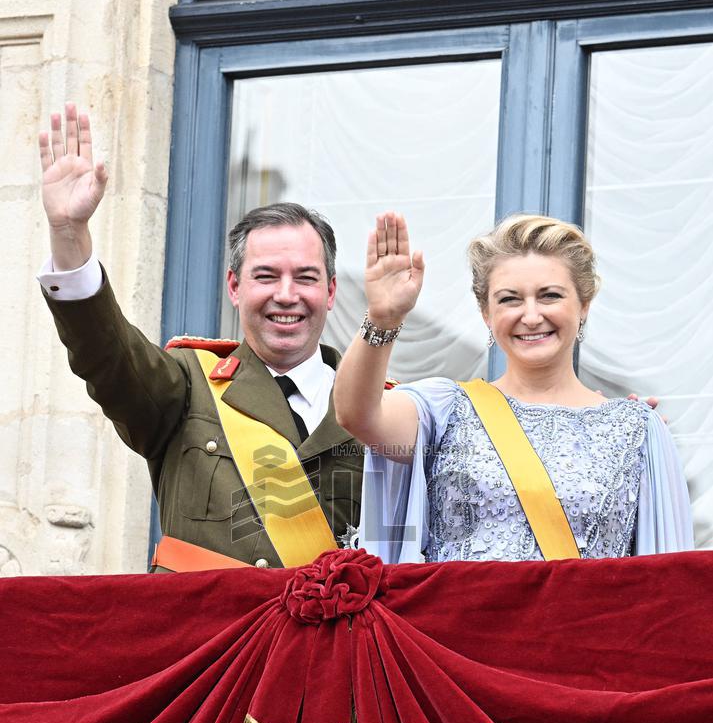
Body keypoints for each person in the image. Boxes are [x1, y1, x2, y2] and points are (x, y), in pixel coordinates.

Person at [37, 103, 363, 571]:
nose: (286, 295)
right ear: (235, 287)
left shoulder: (374, 408)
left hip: (332, 643)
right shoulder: (188, 385)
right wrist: (69, 235)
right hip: (210, 640)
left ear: (331, 292)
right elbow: (107, 356)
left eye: (306, 278)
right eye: (266, 276)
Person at [333, 211, 694, 562]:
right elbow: (357, 413)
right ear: (486, 313)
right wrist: (384, 317)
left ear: (584, 305)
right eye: (510, 299)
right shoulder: (445, 409)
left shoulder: (636, 429)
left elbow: (668, 583)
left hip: (583, 624)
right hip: (456, 624)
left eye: (550, 295)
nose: (532, 315)